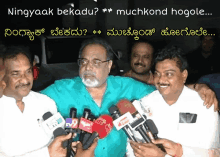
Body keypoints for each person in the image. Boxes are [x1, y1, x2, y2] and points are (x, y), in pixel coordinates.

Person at [41, 38, 219, 157]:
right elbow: (29, 105)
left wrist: (196, 87)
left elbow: (163, 87)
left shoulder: (128, 86)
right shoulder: (60, 89)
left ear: (109, 65)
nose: (88, 67)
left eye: (96, 62)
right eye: (84, 61)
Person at [0, 46, 97, 157]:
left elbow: (58, 136)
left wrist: (69, 148)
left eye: (28, 71)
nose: (25, 79)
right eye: (16, 74)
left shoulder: (46, 102)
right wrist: (47, 153)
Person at [129, 46, 220, 157]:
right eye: (157, 74)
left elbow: (214, 152)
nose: (161, 80)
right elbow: (131, 146)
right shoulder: (143, 104)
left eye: (169, 74)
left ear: (184, 75)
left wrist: (178, 152)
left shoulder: (204, 104)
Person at [123, 40, 219, 111]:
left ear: (153, 61)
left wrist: (198, 87)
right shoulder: (119, 84)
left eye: (146, 57)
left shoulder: (162, 82)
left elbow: (176, 88)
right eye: (136, 55)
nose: (140, 61)